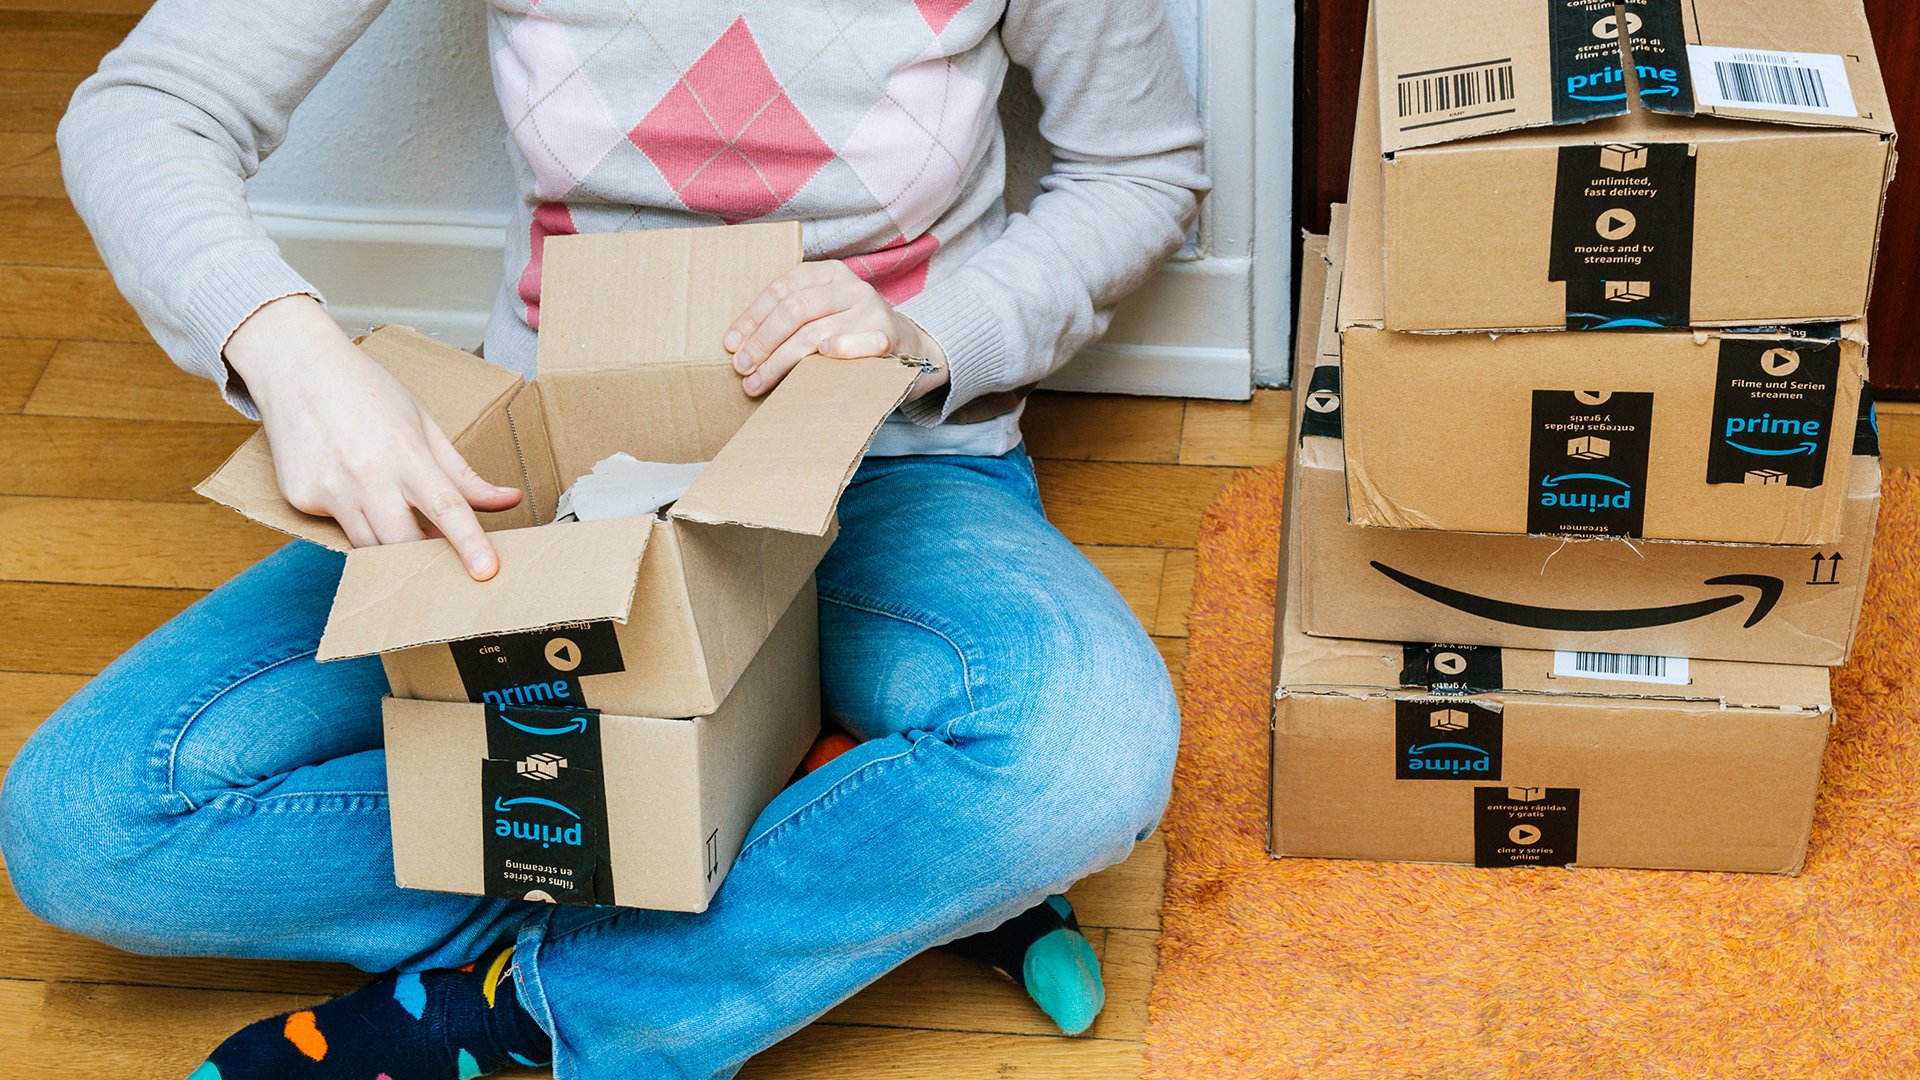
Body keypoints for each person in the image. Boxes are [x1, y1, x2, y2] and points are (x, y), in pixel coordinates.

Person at [0, 0, 1209, 1075]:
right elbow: (148, 106)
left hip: (886, 472)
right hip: (548, 492)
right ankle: (833, 831)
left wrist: (926, 334)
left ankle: (531, 1013)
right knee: (87, 827)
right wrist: (287, 350)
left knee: (1074, 757)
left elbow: (1141, 172)